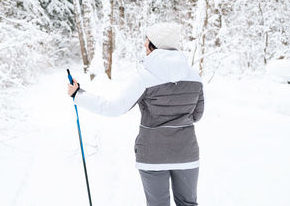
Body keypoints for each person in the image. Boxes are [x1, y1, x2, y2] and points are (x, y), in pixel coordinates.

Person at [67, 22, 204, 206]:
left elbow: (114, 108)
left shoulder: (145, 78)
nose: (144, 45)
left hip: (152, 156)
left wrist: (78, 95)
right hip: (186, 153)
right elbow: (196, 115)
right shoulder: (194, 76)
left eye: (146, 41)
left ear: (153, 45)